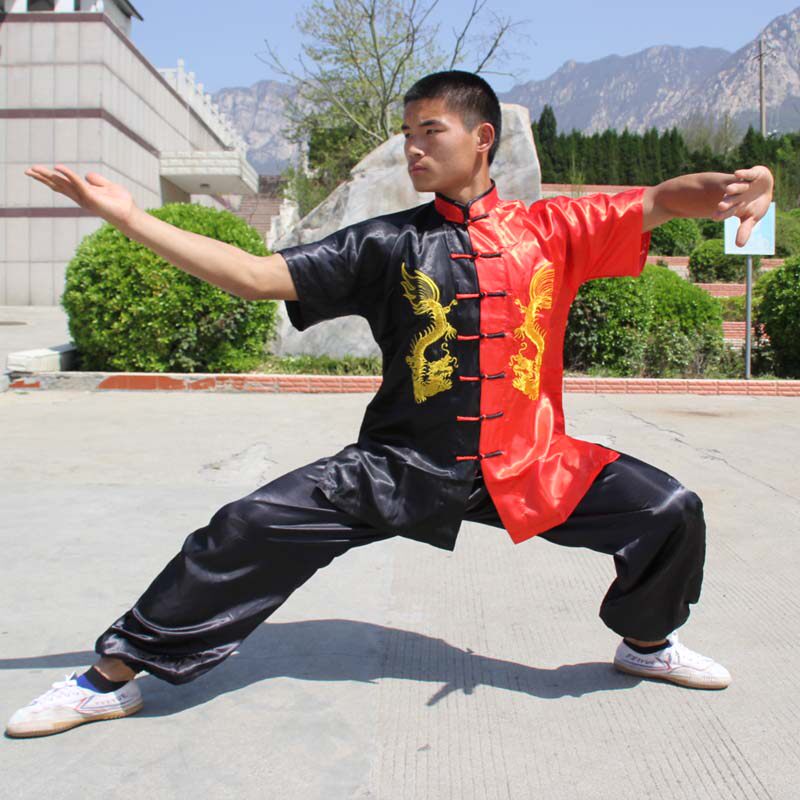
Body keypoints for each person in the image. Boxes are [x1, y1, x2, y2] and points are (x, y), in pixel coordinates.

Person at [7, 70, 773, 739]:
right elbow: (252, 275)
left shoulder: (554, 229)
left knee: (669, 509)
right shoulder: (385, 244)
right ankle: (111, 676)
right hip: (402, 463)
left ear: (481, 138)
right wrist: (129, 217)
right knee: (245, 526)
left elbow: (663, 199)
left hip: (532, 458)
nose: (412, 147)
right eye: (406, 134)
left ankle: (645, 643)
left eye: (429, 131)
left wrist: (741, 187)